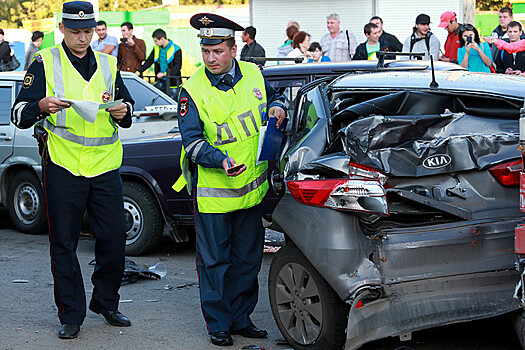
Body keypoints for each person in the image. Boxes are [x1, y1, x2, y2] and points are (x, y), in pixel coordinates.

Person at [10, 1, 134, 340]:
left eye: (88, 31)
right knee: (63, 243)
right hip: (63, 163)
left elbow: (126, 109)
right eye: (75, 31)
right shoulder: (44, 60)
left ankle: (106, 302)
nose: (82, 38)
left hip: (105, 164)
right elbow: (18, 113)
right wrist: (40, 105)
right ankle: (71, 314)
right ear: (62, 29)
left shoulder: (109, 63)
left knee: (114, 238)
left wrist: (124, 111)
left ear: (95, 29)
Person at [173, 12, 286, 347]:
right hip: (214, 195)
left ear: (233, 49)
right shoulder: (191, 90)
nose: (211, 58)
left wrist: (278, 107)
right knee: (214, 262)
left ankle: (241, 318)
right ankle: (218, 324)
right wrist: (219, 160)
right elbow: (191, 142)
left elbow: (275, 97)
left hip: (252, 192)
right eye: (206, 51)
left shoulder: (253, 73)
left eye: (217, 51)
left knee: (247, 260)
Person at [137, 28, 182, 98]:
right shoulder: (156, 48)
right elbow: (148, 61)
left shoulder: (176, 49)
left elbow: (177, 67)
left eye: (156, 41)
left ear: (162, 39)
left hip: (173, 83)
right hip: (161, 82)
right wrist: (138, 72)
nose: (155, 43)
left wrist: (164, 74)